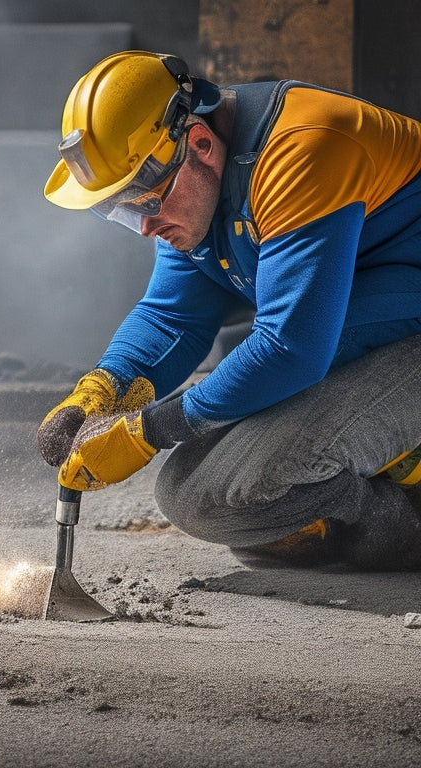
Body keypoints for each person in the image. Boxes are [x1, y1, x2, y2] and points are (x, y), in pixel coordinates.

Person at [37, 50, 421, 568]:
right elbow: (172, 317)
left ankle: (401, 522)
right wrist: (103, 391)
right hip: (365, 332)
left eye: (148, 203)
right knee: (195, 493)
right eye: (124, 213)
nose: (147, 227)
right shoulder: (194, 189)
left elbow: (291, 347)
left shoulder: (301, 151)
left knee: (248, 456)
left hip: (396, 339)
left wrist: (150, 430)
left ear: (199, 143)